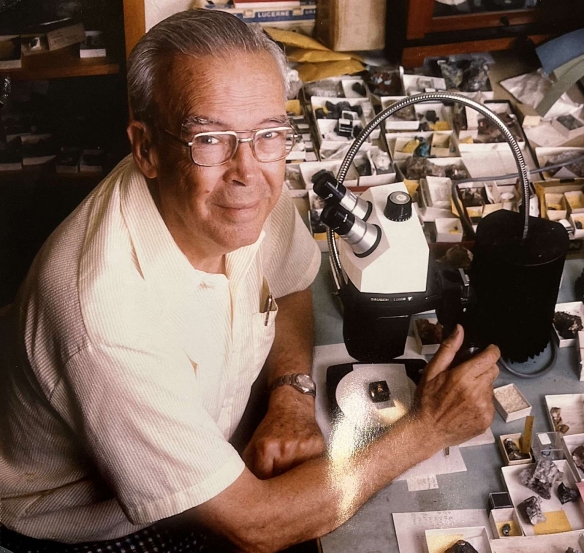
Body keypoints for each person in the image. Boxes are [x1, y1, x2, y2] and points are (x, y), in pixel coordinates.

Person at [0, 10, 500, 553]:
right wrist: (428, 429)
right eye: (210, 139)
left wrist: (290, 393)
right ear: (145, 147)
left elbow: (287, 285)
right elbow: (252, 525)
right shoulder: (106, 321)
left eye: (268, 134)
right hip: (95, 530)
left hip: (209, 442)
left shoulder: (244, 193)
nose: (246, 171)